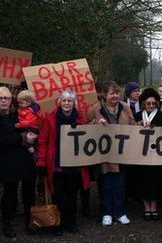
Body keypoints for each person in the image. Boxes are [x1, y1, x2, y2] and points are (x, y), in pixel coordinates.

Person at [36, 90, 91, 235]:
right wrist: (41, 162)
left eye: (70, 101)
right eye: (64, 100)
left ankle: (70, 223)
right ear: (60, 102)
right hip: (56, 166)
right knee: (58, 196)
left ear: (74, 103)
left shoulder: (81, 120)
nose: (66, 103)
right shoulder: (50, 119)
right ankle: (57, 224)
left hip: (74, 166)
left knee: (72, 197)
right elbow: (43, 142)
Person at [87, 81, 136, 226]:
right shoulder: (95, 109)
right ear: (104, 94)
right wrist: (96, 121)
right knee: (106, 184)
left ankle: (120, 212)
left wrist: (142, 125)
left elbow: (132, 124)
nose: (115, 96)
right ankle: (106, 213)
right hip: (104, 154)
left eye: (117, 93)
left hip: (121, 152)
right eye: (112, 93)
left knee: (120, 183)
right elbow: (85, 126)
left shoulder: (125, 107)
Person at [0, 86, 37, 238]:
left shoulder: (19, 113)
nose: (3, 101)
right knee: (10, 193)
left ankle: (30, 221)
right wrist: (21, 138)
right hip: (7, 162)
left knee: (29, 192)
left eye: (6, 98)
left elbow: (33, 121)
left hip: (25, 160)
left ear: (11, 100)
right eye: (1, 98)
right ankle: (7, 223)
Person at [133, 88, 162, 221]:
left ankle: (154, 207)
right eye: (148, 104)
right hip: (141, 155)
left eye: (153, 103)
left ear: (156, 104)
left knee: (156, 180)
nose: (151, 106)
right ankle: (147, 207)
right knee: (142, 179)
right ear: (143, 104)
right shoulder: (137, 116)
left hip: (157, 154)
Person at [15, 90, 42, 159]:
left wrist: (19, 125)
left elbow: (29, 122)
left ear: (29, 102)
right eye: (19, 103)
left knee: (27, 142)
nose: (19, 104)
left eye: (21, 103)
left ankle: (34, 154)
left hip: (32, 129)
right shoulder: (24, 108)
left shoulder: (31, 111)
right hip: (28, 127)